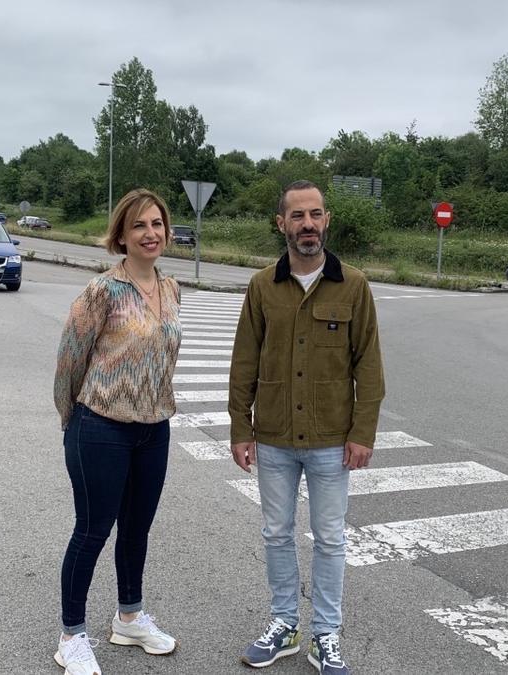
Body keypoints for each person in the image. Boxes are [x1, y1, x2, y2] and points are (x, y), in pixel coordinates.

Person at [228, 180, 385, 674]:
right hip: (273, 435)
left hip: (331, 439)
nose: (308, 225)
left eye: (315, 215)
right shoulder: (261, 287)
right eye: (297, 216)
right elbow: (243, 363)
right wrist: (240, 426)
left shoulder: (354, 285)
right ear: (282, 224)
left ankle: (325, 634)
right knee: (276, 533)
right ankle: (284, 624)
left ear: (327, 220)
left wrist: (363, 432)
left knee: (331, 538)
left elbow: (370, 367)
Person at [52, 188, 182, 675]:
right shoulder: (101, 291)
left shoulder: (171, 290)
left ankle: (129, 616)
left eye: (157, 224)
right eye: (139, 226)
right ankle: (72, 635)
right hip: (100, 427)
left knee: (137, 530)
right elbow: (70, 361)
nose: (150, 234)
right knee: (91, 531)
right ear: (121, 236)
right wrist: (73, 422)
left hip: (154, 430)